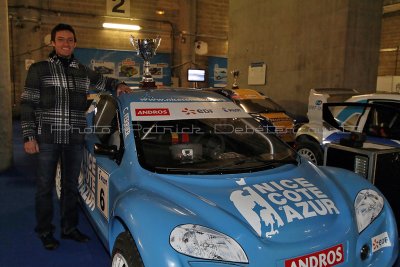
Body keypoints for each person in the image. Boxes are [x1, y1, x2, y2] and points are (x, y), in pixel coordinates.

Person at [20, 23, 130, 250]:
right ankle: (45, 231)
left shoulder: (81, 70)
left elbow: (104, 82)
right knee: (44, 186)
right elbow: (28, 104)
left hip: (74, 138)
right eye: (61, 39)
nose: (65, 43)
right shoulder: (39, 69)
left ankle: (69, 228)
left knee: (71, 185)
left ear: (75, 43)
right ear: (52, 43)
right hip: (47, 137)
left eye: (70, 40)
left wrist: (119, 84)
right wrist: (29, 137)